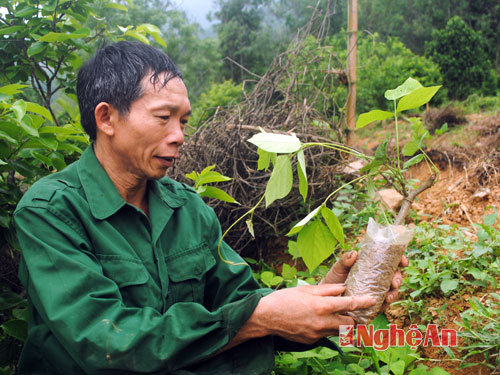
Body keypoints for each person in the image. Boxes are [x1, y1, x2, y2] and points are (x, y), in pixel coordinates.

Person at [14, 41, 407, 375]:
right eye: (163, 118)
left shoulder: (187, 208)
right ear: (107, 118)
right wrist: (260, 316)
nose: (179, 136)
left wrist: (327, 301)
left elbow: (243, 303)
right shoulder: (50, 212)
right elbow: (105, 341)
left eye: (183, 121)